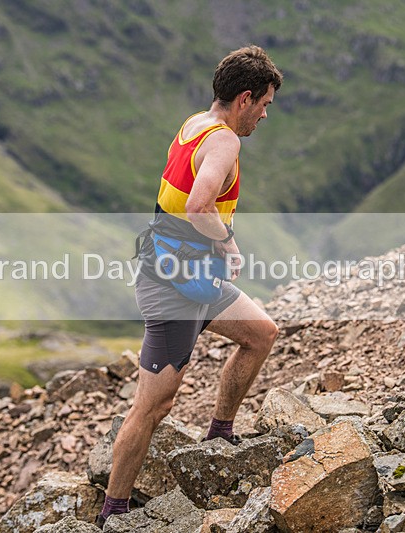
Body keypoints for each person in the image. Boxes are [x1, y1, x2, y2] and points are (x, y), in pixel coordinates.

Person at [95, 45, 282, 527]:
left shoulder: (194, 124)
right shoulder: (224, 142)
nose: (264, 114)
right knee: (153, 406)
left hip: (195, 278)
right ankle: (112, 511)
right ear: (244, 98)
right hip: (173, 284)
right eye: (263, 104)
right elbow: (199, 206)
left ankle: (219, 434)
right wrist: (230, 243)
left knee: (261, 334)